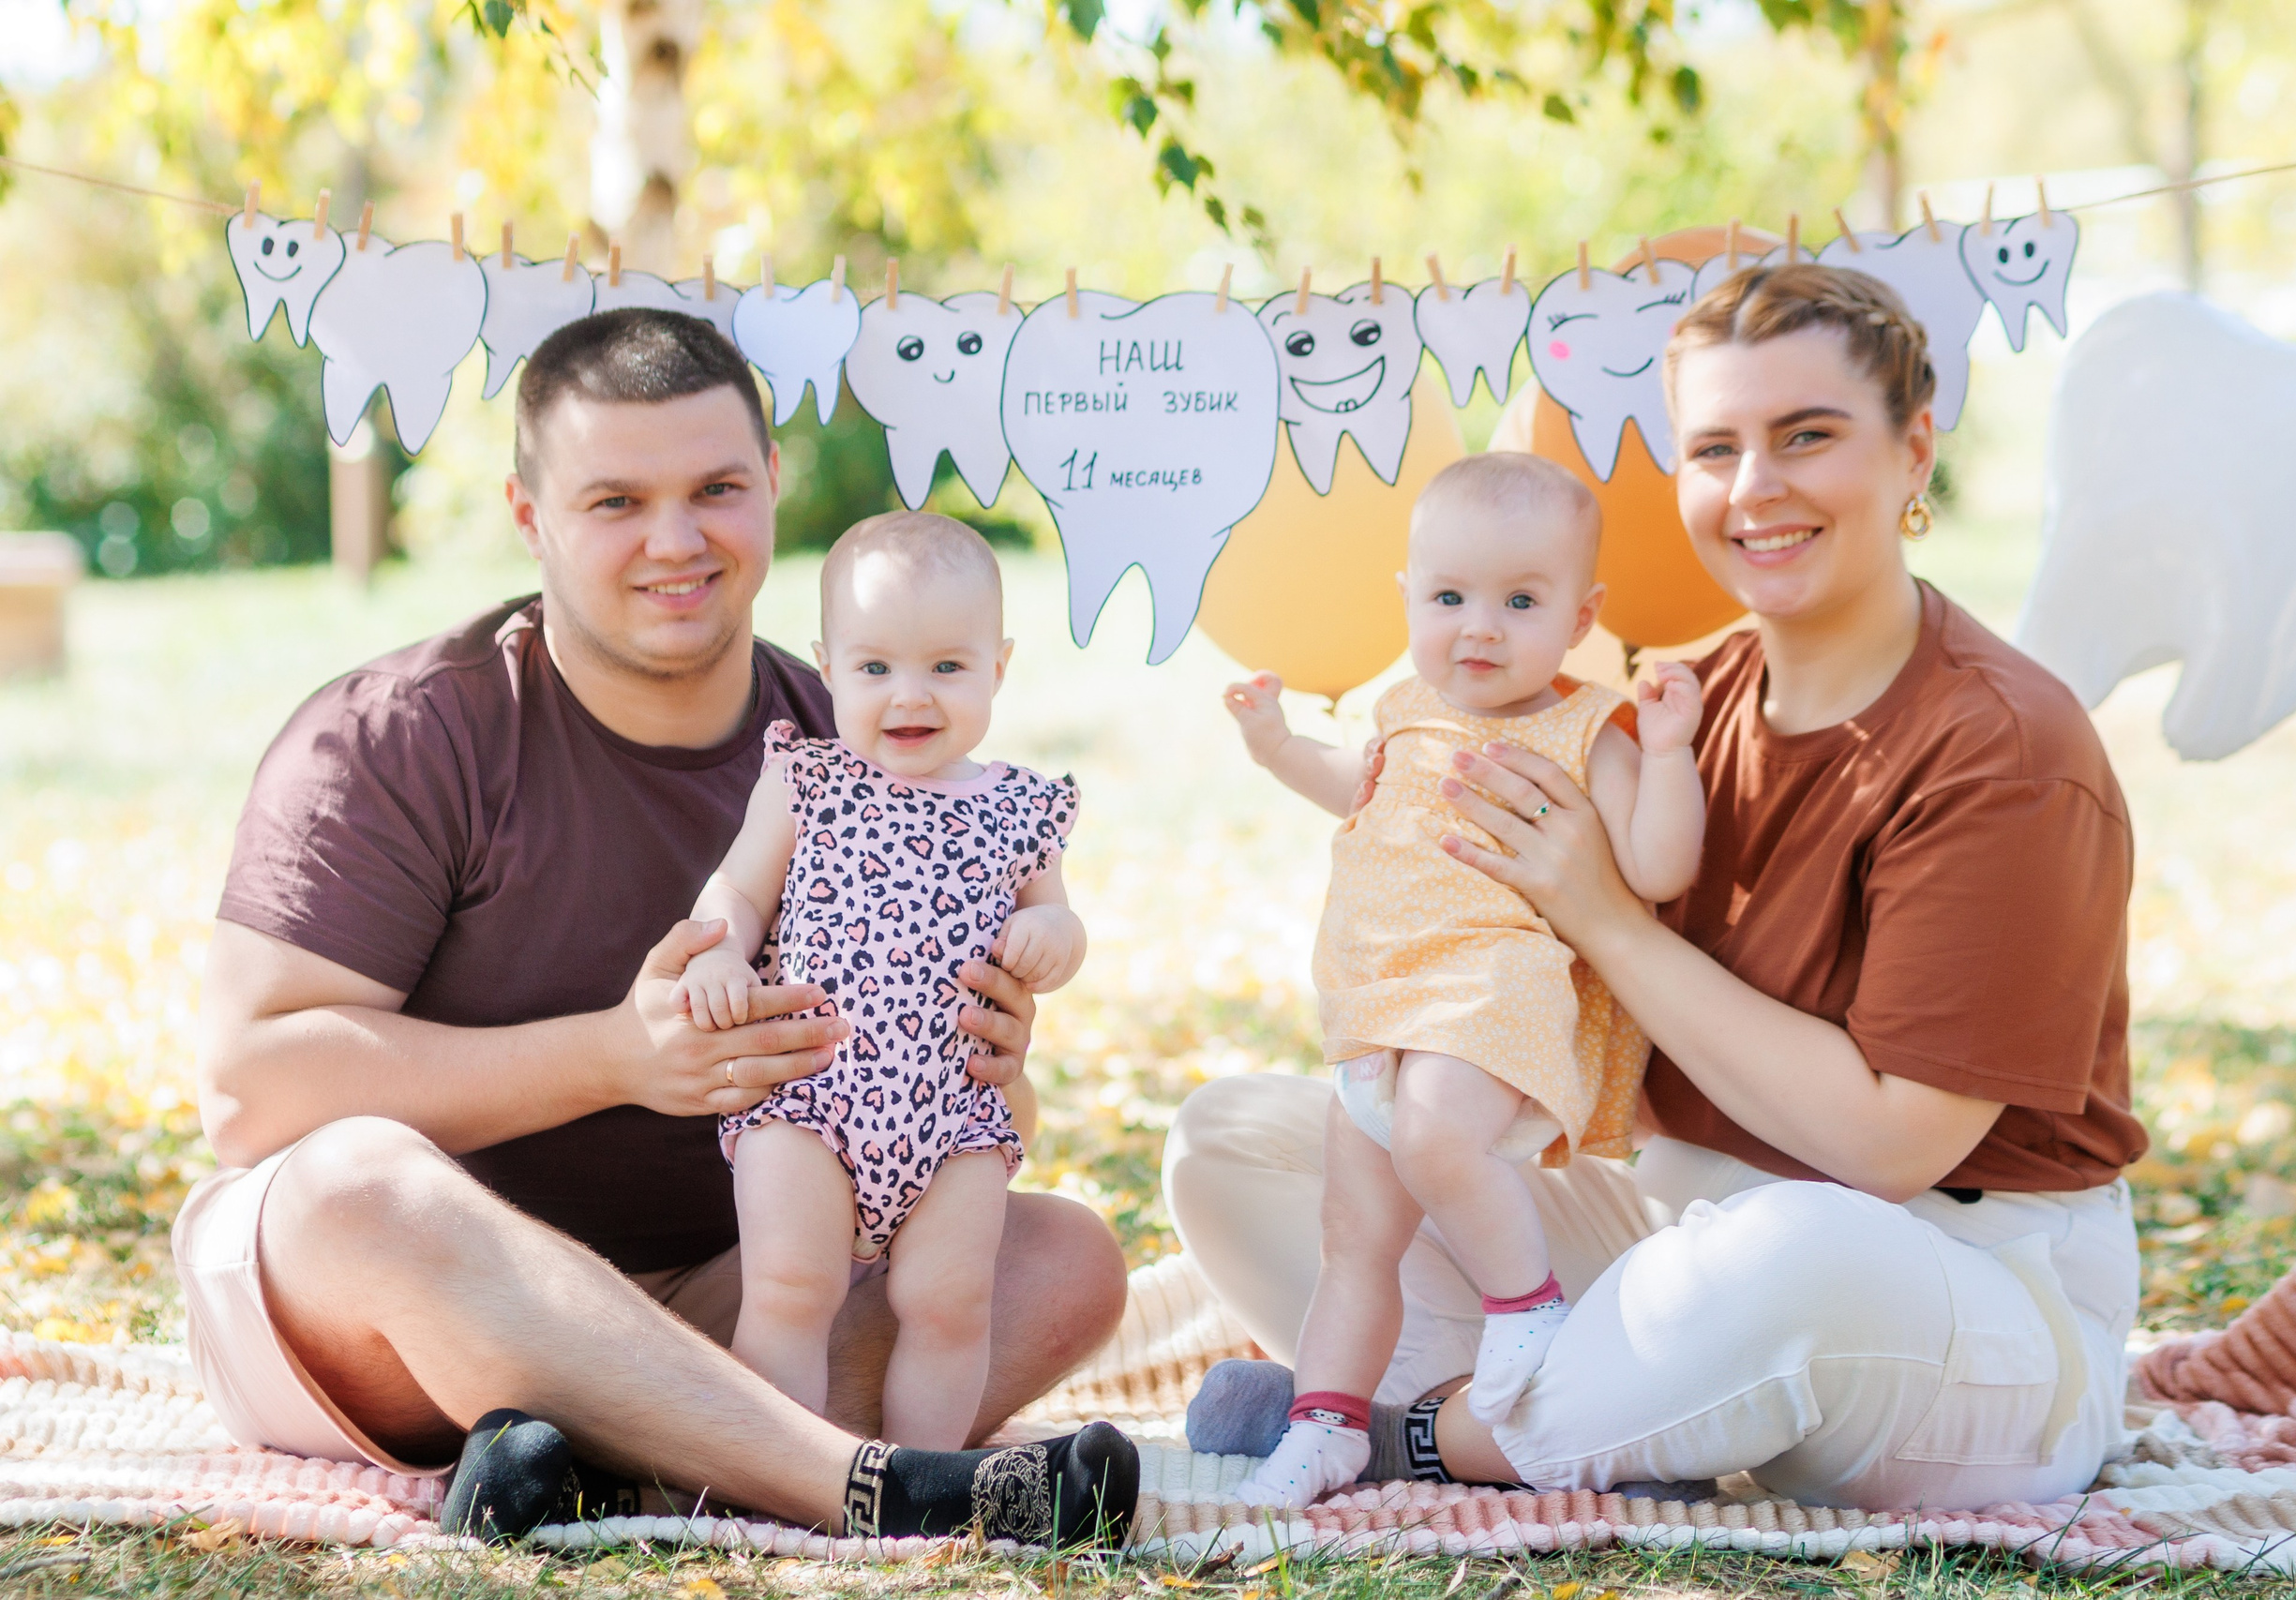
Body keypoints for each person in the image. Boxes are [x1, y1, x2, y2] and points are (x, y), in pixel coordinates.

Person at [1170, 263, 2148, 1513]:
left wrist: (1602, 914)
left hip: (1957, 1275)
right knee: (1236, 1143)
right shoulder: (1686, 705)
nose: (1756, 488)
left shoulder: (2003, 746)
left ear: (1913, 454)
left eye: (1807, 436)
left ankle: (1431, 1434)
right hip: (1685, 1219)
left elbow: (1888, 1144)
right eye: (1715, 447)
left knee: (1792, 1259)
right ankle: (1610, 1394)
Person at [175, 308, 1135, 1541]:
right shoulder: (402, 736)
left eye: (717, 487)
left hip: (726, 1292)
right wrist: (620, 1055)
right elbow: (251, 1092)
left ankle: (592, 1466)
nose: (675, 540)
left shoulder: (864, 729)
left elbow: (948, 1111)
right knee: (355, 1188)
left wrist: (992, 1059)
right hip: (412, 1311)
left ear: (774, 485)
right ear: (530, 518)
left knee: (1060, 1255)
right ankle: (860, 1481)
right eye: (615, 500)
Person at [1216, 454, 1703, 1506]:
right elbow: (1355, 788)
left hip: (1491, 994)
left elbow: (1659, 868)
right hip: (1382, 1004)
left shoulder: (1584, 731)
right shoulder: (1403, 708)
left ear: (1582, 616)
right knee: (1355, 1240)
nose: (1479, 628)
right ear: (1406, 599)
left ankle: (1527, 1308)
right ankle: (1328, 1423)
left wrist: (1666, 754)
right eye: (1449, 598)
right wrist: (1274, 747)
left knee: (1437, 1130)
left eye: (1520, 601)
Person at [679, 511, 1086, 1449]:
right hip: (808, 1096)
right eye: (875, 669)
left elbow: (1056, 915)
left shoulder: (1019, 806)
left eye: (947, 666)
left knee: (949, 1303)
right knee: (790, 1286)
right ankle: (779, 1473)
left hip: (953, 1112)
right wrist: (717, 949)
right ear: (828, 669)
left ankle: (921, 1479)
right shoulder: (806, 780)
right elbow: (741, 886)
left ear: (999, 667)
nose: (911, 696)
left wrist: (1051, 936)